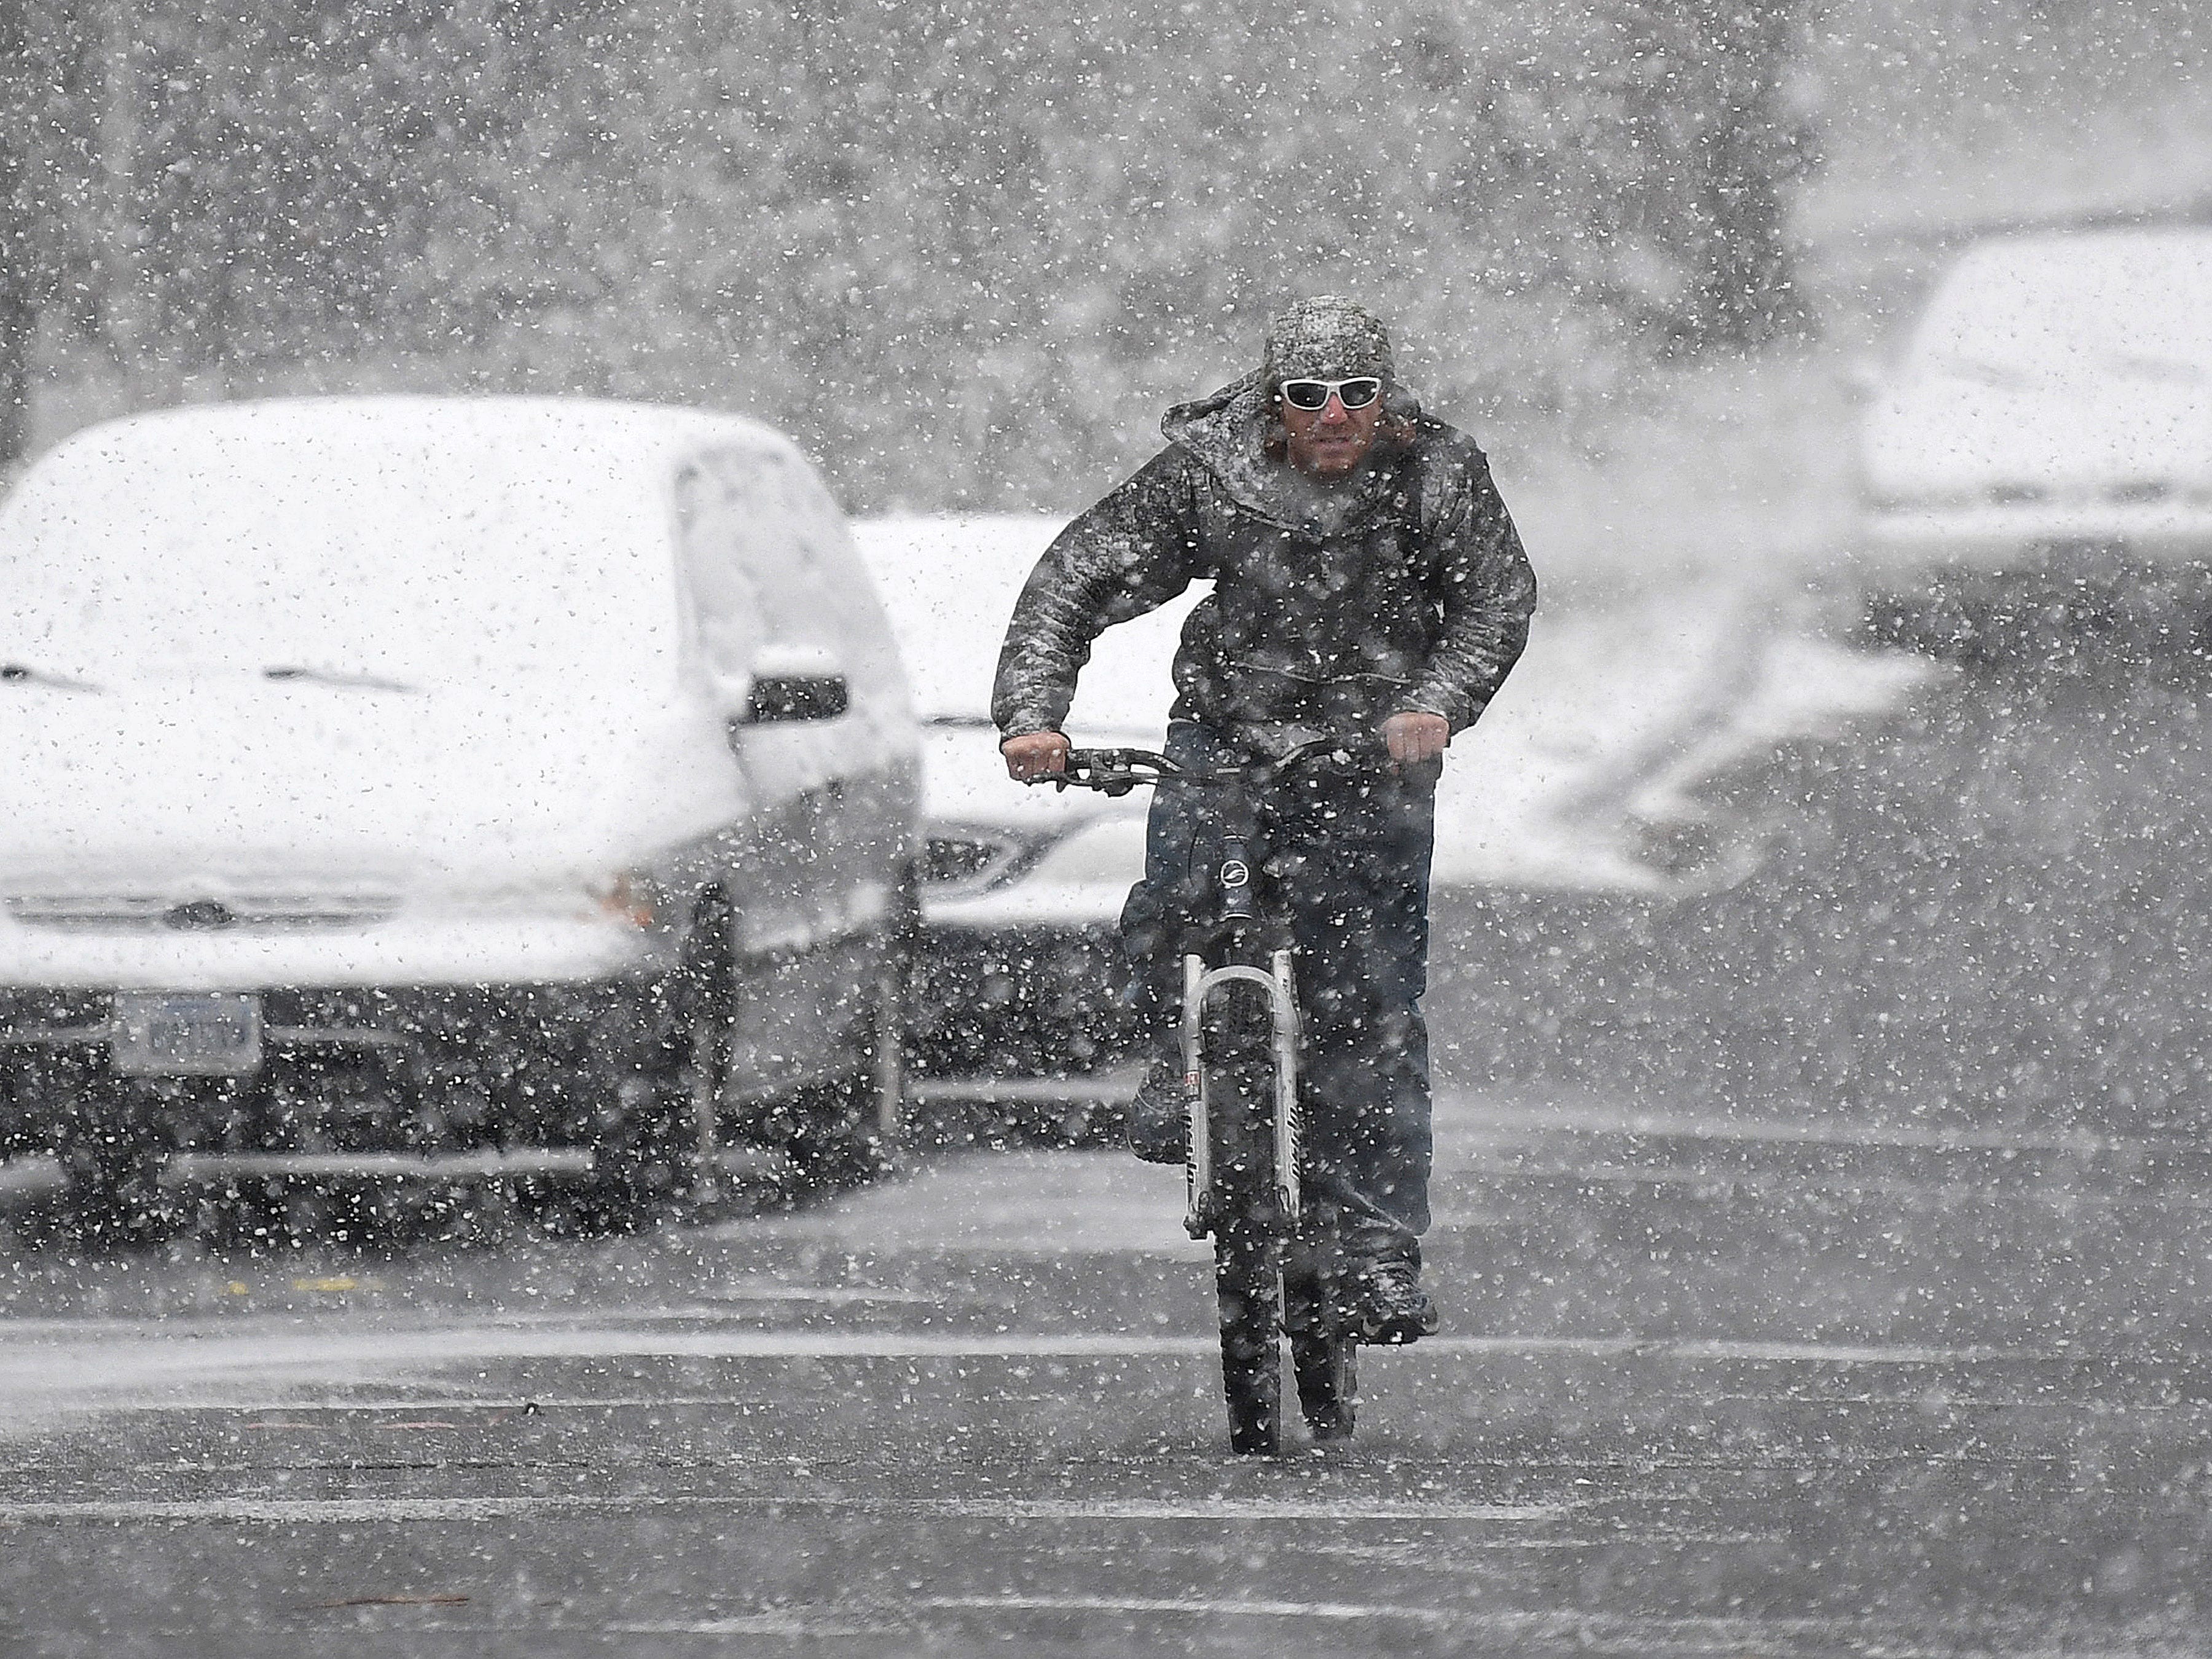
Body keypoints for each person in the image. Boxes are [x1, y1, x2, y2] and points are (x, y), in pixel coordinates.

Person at [993, 297, 1535, 1343]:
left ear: (1388, 398)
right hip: (1225, 737)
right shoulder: (1209, 474)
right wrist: (1033, 719)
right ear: (1269, 402)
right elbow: (1075, 582)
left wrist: (1434, 705)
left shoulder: (1441, 477)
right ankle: (1180, 1058)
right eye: (1307, 396)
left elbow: (1496, 602)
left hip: (1371, 754)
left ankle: (1376, 1246)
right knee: (1166, 908)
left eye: (1357, 395)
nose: (1333, 416)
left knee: (1370, 1002)